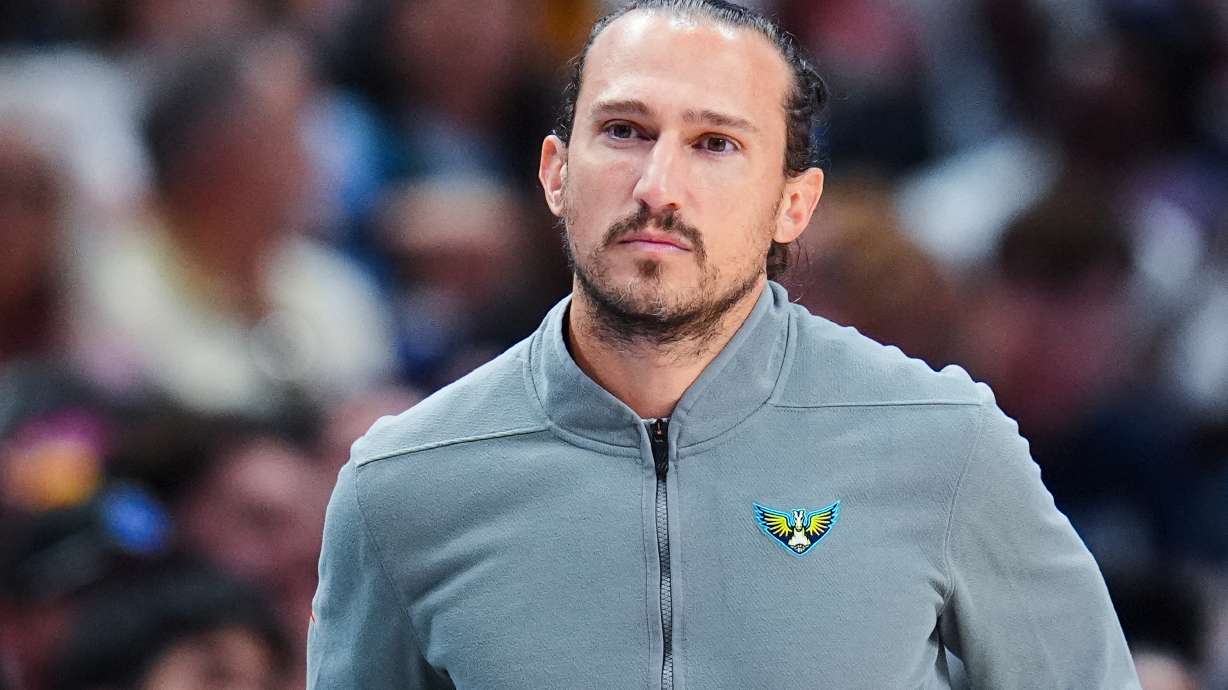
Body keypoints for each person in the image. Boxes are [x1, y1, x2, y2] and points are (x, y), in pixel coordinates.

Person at [309, 2, 1141, 688]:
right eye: (625, 130)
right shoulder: (402, 485)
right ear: (556, 172)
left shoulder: (947, 442)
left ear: (794, 204)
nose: (657, 186)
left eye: (716, 143)